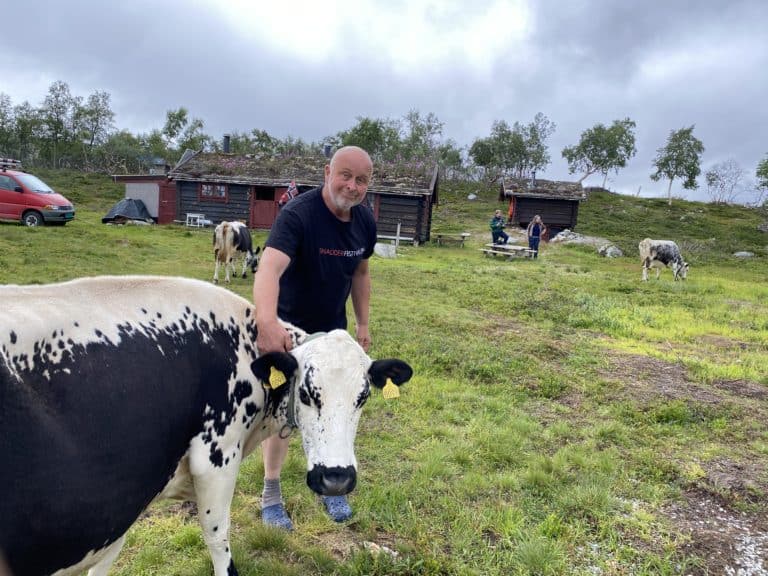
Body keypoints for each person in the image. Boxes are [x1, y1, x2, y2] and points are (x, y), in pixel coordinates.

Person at [252, 146, 376, 531]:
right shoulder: (298, 215)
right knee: (284, 417)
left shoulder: (364, 222)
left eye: (361, 180)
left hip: (332, 336)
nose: (352, 187)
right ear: (327, 172)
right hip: (291, 334)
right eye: (345, 175)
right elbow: (269, 268)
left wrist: (362, 325)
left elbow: (360, 273)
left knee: (334, 411)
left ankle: (331, 489)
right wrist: (267, 322)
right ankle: (271, 493)